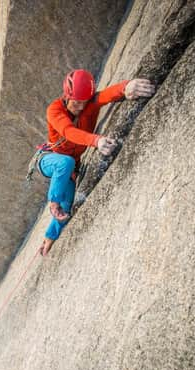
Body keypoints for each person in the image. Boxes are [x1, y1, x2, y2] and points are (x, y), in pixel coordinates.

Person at [37, 69, 155, 256]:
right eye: (76, 103)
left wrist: (126, 87)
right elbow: (68, 131)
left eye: (84, 102)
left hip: (70, 167)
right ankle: (53, 202)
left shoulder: (87, 104)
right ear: (67, 96)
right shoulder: (54, 110)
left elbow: (106, 95)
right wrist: (97, 141)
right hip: (49, 160)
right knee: (64, 164)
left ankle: (48, 238)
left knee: (66, 208)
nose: (81, 107)